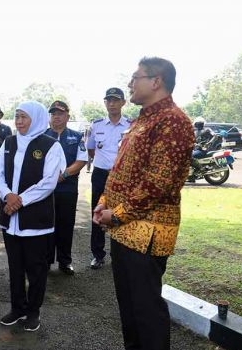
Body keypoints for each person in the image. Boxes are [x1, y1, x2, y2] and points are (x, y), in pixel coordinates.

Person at [93, 57, 195, 350]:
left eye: (135, 77)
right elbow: (120, 170)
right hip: (124, 229)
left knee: (146, 313)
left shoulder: (173, 121)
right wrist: (103, 202)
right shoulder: (142, 119)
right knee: (129, 311)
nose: (129, 84)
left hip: (147, 233)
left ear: (156, 81)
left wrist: (117, 214)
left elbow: (156, 183)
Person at [0, 101, 65, 332]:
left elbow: (49, 182)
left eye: (24, 117)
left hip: (36, 220)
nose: (19, 121)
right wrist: (7, 195)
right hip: (10, 219)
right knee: (15, 267)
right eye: (17, 116)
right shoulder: (8, 142)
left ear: (36, 118)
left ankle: (33, 311)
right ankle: (17, 308)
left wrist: (19, 200)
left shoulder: (50, 145)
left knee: (36, 269)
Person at [86, 87, 131, 270]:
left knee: (119, 212)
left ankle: (118, 254)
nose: (112, 104)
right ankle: (98, 255)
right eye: (108, 100)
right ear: (105, 103)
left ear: (123, 103)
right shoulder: (96, 125)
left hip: (122, 177)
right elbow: (91, 149)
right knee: (97, 212)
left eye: (115, 100)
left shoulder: (131, 125)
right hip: (100, 174)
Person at [44, 101, 88, 274]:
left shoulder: (77, 137)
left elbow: (81, 160)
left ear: (67, 117)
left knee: (66, 225)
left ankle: (65, 261)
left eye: (60, 113)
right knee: (46, 225)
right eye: (53, 113)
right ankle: (46, 260)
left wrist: (63, 175)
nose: (56, 116)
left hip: (67, 189)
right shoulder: (42, 136)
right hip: (46, 190)